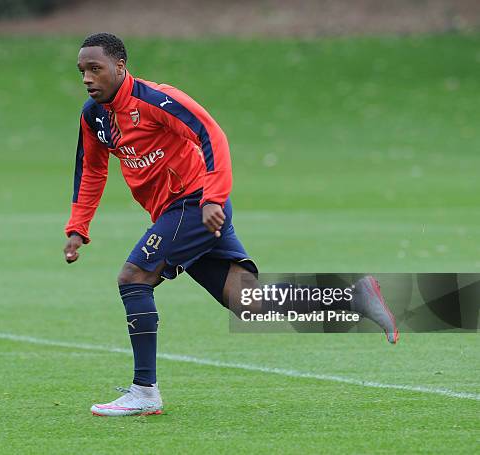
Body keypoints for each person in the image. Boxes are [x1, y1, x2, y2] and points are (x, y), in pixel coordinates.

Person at [63, 33, 398, 417]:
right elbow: (91, 170)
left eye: (95, 69)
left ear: (120, 67)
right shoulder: (93, 117)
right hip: (179, 213)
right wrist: (78, 227)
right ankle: (355, 298)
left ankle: (144, 391)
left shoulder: (156, 100)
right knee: (248, 302)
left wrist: (213, 198)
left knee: (134, 278)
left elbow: (212, 135)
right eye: (82, 71)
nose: (88, 78)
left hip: (194, 204)